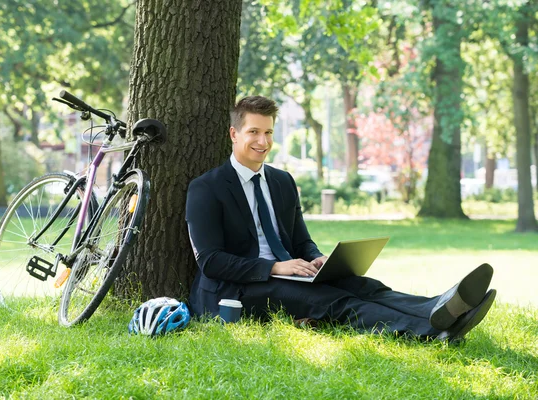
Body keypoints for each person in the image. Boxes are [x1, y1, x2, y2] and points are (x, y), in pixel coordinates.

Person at [185, 95, 496, 341]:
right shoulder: (206, 188)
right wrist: (274, 267)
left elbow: (300, 239)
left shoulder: (281, 181)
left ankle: (440, 307)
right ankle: (433, 331)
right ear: (234, 133)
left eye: (268, 132)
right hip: (236, 290)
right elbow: (211, 261)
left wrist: (317, 258)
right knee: (334, 301)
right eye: (253, 132)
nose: (263, 142)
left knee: (363, 285)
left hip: (289, 272)